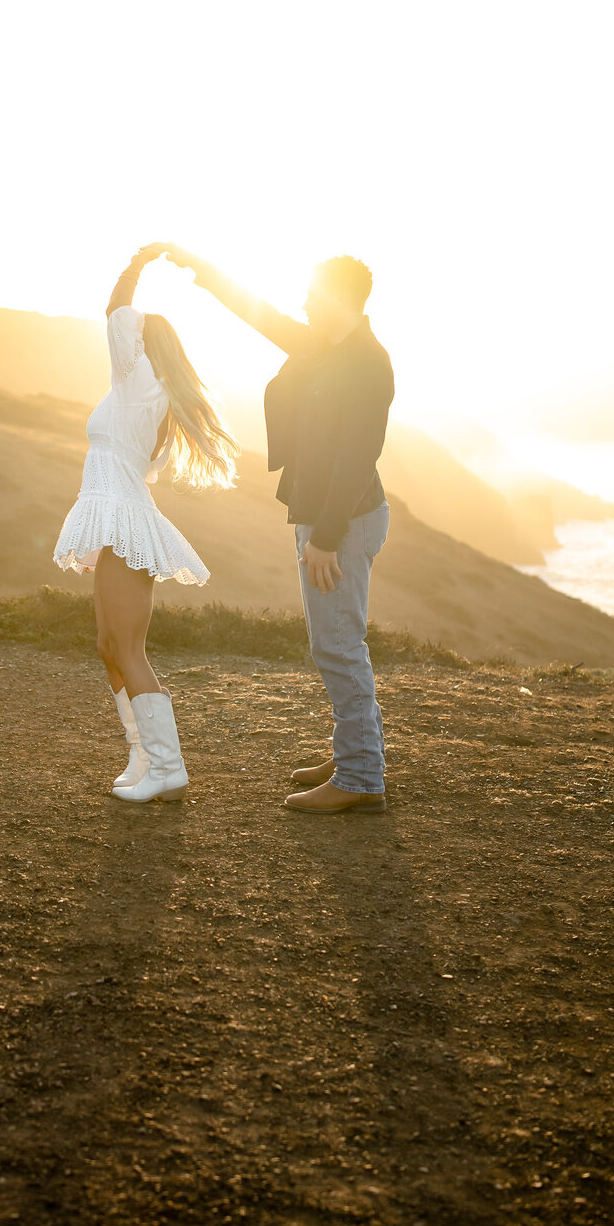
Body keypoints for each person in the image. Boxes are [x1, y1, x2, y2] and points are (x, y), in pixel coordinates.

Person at [153, 244, 394, 814]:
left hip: (343, 520)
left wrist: (327, 537)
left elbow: (358, 457)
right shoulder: (325, 345)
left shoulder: (366, 362)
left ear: (338, 299)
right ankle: (353, 752)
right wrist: (205, 272)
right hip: (327, 514)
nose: (304, 303)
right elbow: (260, 314)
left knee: (338, 645)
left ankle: (361, 778)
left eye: (312, 294)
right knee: (334, 641)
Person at [54, 245, 240, 803]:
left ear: (139, 344)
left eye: (132, 334)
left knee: (127, 649)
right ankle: (143, 754)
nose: (124, 335)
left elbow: (114, 309)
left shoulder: (137, 383)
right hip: (116, 521)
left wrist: (136, 268)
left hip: (126, 527)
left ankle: (168, 766)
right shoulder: (144, 390)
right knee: (108, 646)